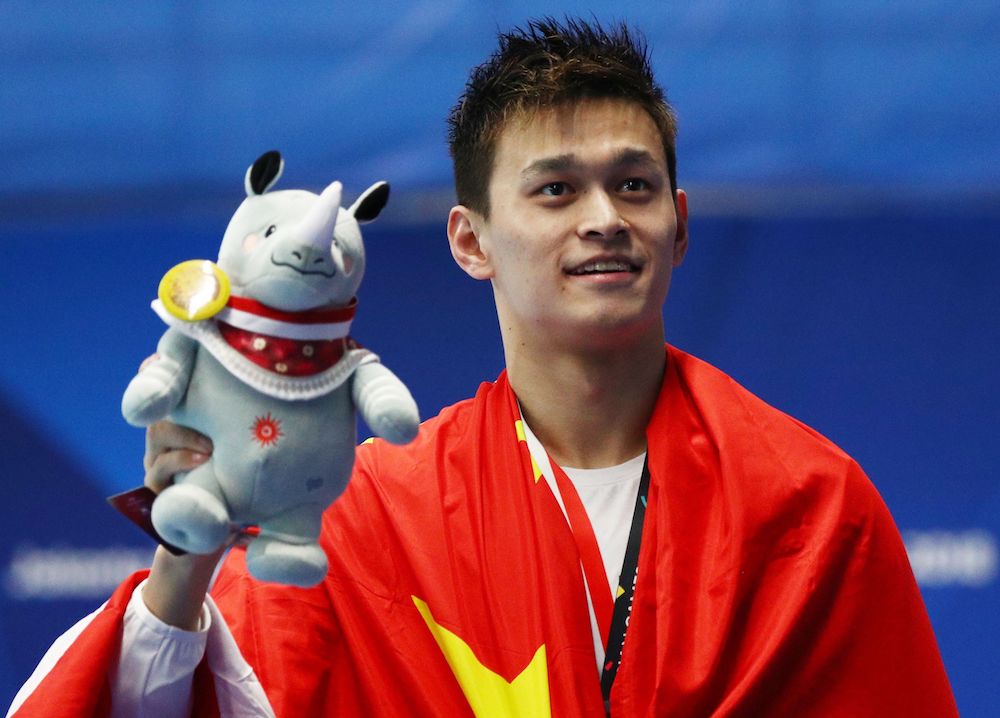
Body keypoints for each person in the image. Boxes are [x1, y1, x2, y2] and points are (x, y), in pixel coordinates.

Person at [9, 17, 957, 718]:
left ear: (680, 223)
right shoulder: (366, 515)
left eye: (635, 185)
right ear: (470, 241)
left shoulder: (809, 504)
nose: (604, 218)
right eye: (555, 189)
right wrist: (186, 564)